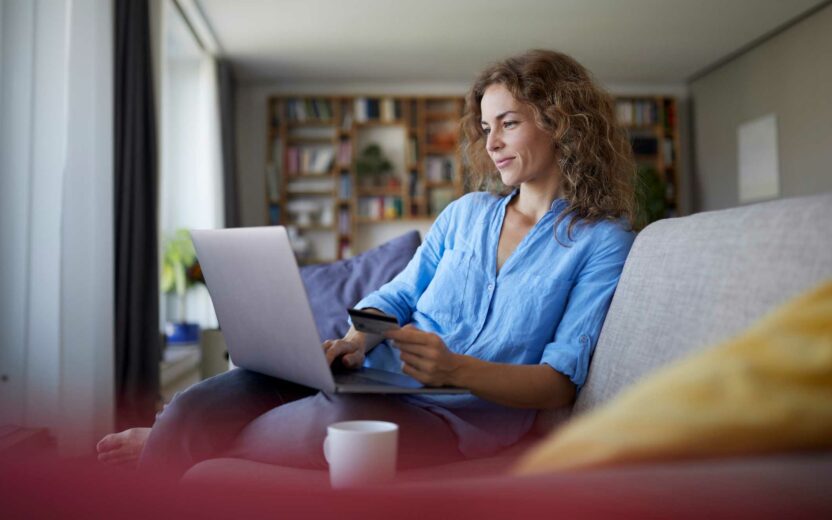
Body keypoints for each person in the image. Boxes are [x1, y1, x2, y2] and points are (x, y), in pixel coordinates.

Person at [98, 49, 637, 476]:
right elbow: (397, 295)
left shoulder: (601, 242)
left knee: (327, 426)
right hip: (375, 379)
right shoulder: (466, 214)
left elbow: (559, 382)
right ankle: (180, 437)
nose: (491, 142)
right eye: (486, 126)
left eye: (508, 123)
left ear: (560, 123)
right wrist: (357, 341)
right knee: (198, 402)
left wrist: (456, 370)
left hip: (457, 421)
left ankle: (169, 447)